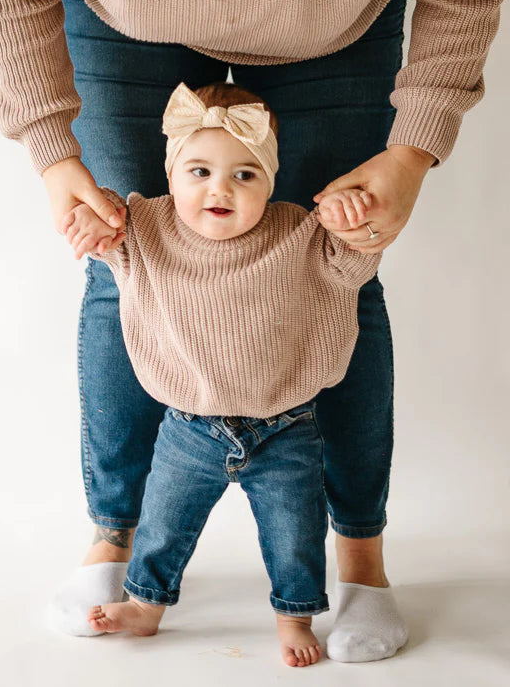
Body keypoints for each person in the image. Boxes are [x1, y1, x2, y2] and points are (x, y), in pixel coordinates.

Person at [0, 0, 509, 662]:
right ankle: (117, 534)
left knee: (341, 268)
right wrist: (52, 152)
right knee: (121, 263)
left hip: (334, 28)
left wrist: (412, 152)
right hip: (121, 20)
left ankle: (360, 556)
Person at [60, 80, 384, 666]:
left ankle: (294, 616)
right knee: (162, 522)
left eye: (245, 175)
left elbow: (354, 261)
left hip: (285, 426)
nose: (220, 189)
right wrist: (91, 219)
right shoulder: (146, 226)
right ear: (171, 172)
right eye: (200, 171)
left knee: (295, 532)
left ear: (271, 182)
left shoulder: (298, 232)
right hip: (187, 427)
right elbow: (106, 239)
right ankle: (145, 604)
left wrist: (350, 217)